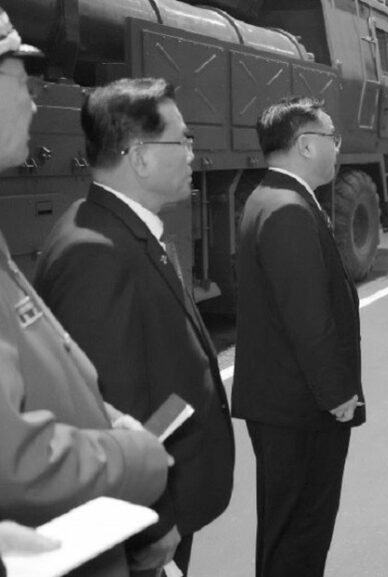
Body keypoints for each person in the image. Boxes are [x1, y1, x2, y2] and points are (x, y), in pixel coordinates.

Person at [33, 78, 234, 577]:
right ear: (140, 157)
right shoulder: (95, 252)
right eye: (182, 140)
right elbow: (106, 408)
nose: (192, 154)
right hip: (147, 518)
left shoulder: (119, 228)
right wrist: (152, 521)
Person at [0, 9, 170, 576]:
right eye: (23, 82)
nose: (33, 102)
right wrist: (136, 457)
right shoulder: (93, 248)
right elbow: (15, 465)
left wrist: (102, 418)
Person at [232, 96, 364, 577]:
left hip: (282, 401)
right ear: (307, 145)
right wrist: (337, 394)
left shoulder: (269, 196)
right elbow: (308, 319)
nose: (336, 148)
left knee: (285, 529)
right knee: (302, 533)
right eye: (332, 138)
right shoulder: (289, 209)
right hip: (301, 406)